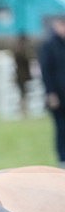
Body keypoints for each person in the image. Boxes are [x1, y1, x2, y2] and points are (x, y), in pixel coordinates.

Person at [38, 17, 65, 168]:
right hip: (58, 95)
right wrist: (50, 93)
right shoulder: (49, 45)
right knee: (61, 128)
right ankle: (62, 158)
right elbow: (46, 71)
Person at [12, 32, 34, 118]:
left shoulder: (17, 50)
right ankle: (23, 111)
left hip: (20, 75)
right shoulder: (22, 51)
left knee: (23, 93)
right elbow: (28, 59)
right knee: (23, 93)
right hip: (23, 75)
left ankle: (23, 110)